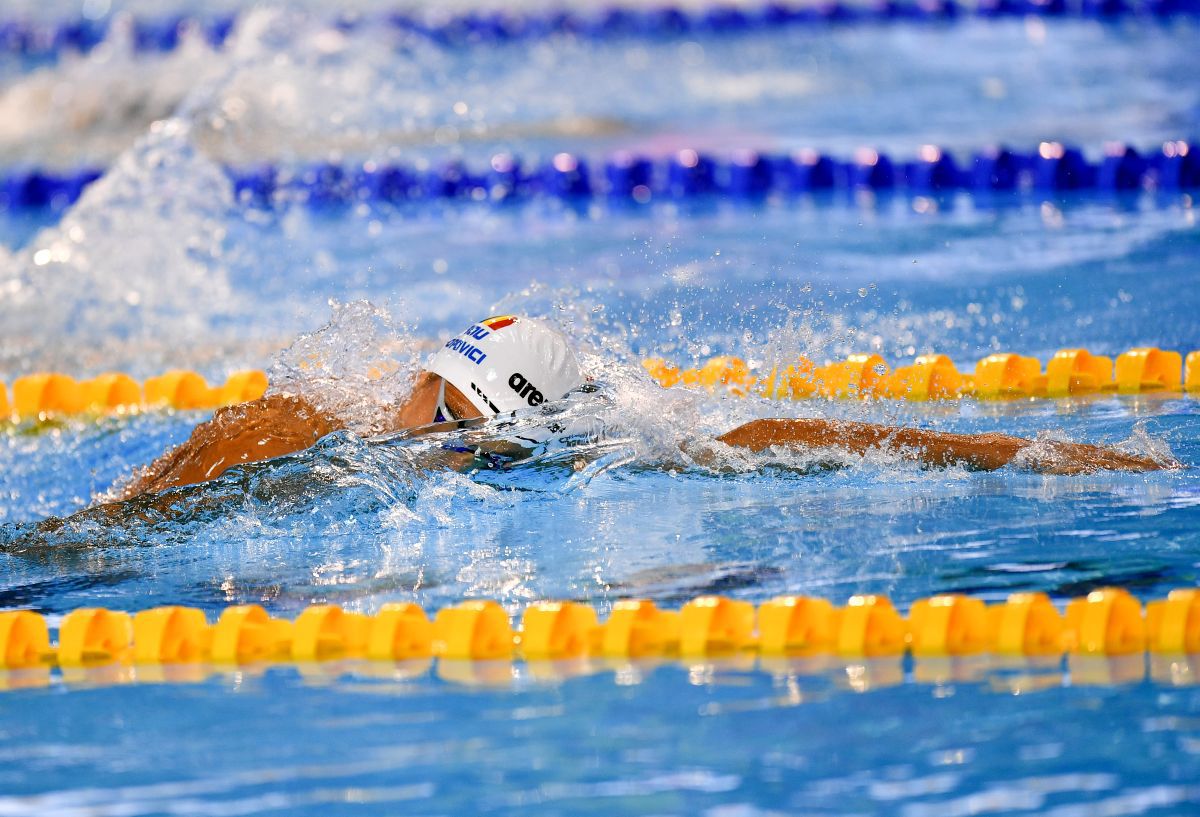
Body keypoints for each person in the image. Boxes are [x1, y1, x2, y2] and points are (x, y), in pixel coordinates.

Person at [120, 314, 1176, 498]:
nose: (406, 411)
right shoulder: (294, 427)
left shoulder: (578, 452)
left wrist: (1021, 448)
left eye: (430, 403)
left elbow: (801, 440)